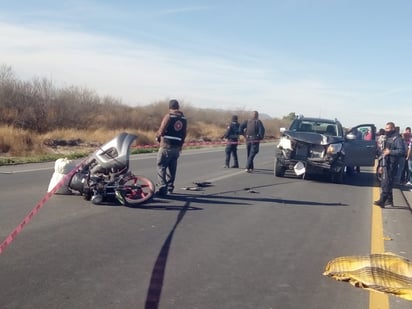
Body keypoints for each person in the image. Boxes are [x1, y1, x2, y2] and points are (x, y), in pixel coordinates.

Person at [155, 99, 187, 196]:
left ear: (169, 107)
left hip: (166, 146)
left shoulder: (169, 116)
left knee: (161, 166)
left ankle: (162, 188)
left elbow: (161, 130)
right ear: (178, 107)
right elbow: (184, 134)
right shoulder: (184, 119)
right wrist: (180, 146)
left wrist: (157, 137)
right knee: (172, 169)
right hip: (176, 147)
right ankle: (170, 187)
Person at [374, 122, 406, 207]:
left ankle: (382, 200)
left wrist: (390, 152)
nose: (386, 130)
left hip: (392, 164)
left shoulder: (397, 139)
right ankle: (389, 200)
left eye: (388, 128)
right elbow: (383, 153)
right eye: (385, 128)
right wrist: (381, 165)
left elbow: (402, 151)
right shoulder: (387, 138)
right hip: (385, 162)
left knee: (386, 183)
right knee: (387, 182)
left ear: (393, 129)